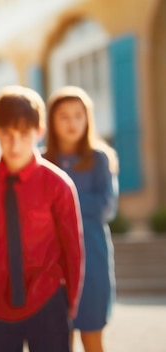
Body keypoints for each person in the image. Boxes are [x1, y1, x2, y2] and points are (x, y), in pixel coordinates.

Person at [0, 85, 85, 352]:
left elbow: (73, 249)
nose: (15, 143)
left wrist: (70, 304)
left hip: (47, 300)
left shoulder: (58, 185)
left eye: (23, 134)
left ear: (39, 131)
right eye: (7, 134)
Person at [44, 86, 119, 352]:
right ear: (51, 120)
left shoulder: (100, 159)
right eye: (64, 116)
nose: (72, 122)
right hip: (53, 267)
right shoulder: (42, 162)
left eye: (78, 115)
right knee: (57, 341)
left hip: (93, 264)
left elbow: (106, 208)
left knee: (92, 338)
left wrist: (62, 204)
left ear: (88, 118)